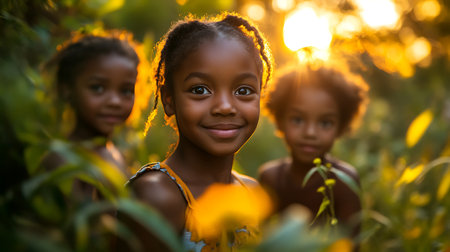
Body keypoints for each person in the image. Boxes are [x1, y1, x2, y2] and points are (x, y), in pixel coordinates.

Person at [124, 12, 272, 251]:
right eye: (200, 90)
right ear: (169, 99)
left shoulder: (252, 194)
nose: (225, 107)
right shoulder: (156, 196)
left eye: (243, 91)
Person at [258, 64, 369, 238]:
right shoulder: (271, 178)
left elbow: (351, 245)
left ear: (341, 127)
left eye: (325, 123)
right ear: (280, 121)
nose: (310, 133)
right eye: (298, 119)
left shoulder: (344, 183)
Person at [42, 33, 140, 199]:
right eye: (98, 88)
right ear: (68, 89)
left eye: (126, 91)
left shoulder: (114, 153)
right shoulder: (63, 161)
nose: (115, 102)